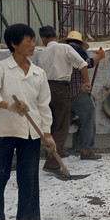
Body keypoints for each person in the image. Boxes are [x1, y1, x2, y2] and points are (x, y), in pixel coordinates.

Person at [0, 24, 56, 220]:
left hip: (30, 134)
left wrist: (48, 133)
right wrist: (9, 106)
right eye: (29, 41)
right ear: (14, 44)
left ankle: (23, 219)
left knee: (28, 177)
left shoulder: (38, 73)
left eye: (34, 40)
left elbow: (44, 104)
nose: (34, 45)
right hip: (3, 130)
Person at [37, 25, 87, 171]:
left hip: (45, 89)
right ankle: (52, 163)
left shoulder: (42, 54)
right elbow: (83, 64)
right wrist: (87, 82)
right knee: (61, 126)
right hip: (61, 88)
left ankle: (55, 153)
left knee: (51, 124)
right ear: (56, 35)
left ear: (43, 38)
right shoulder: (64, 49)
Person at [66, 30, 106, 160]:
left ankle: (75, 146)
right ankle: (86, 150)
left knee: (69, 120)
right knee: (87, 118)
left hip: (63, 93)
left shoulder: (63, 51)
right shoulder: (76, 49)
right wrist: (99, 57)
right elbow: (87, 63)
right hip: (78, 92)